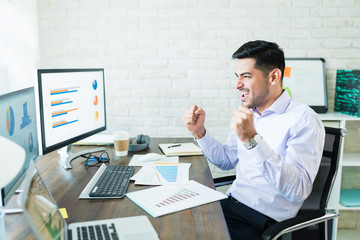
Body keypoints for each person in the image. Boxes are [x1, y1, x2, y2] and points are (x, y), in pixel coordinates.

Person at [183, 40, 325, 240]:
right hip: (230, 204)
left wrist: (251, 139)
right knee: (175, 225)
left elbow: (298, 190)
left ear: (274, 76)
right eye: (237, 76)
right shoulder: (250, 113)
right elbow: (226, 160)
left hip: (262, 220)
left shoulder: (304, 119)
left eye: (246, 76)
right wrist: (200, 132)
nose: (237, 84)